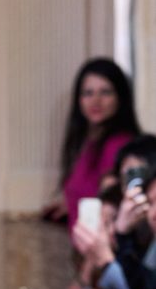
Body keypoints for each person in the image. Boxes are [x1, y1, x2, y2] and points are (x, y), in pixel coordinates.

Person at [45, 58, 140, 231]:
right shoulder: (89, 143)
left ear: (120, 97)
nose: (96, 101)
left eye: (105, 92)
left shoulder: (118, 145)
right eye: (88, 93)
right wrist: (71, 205)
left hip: (99, 245)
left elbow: (112, 207)